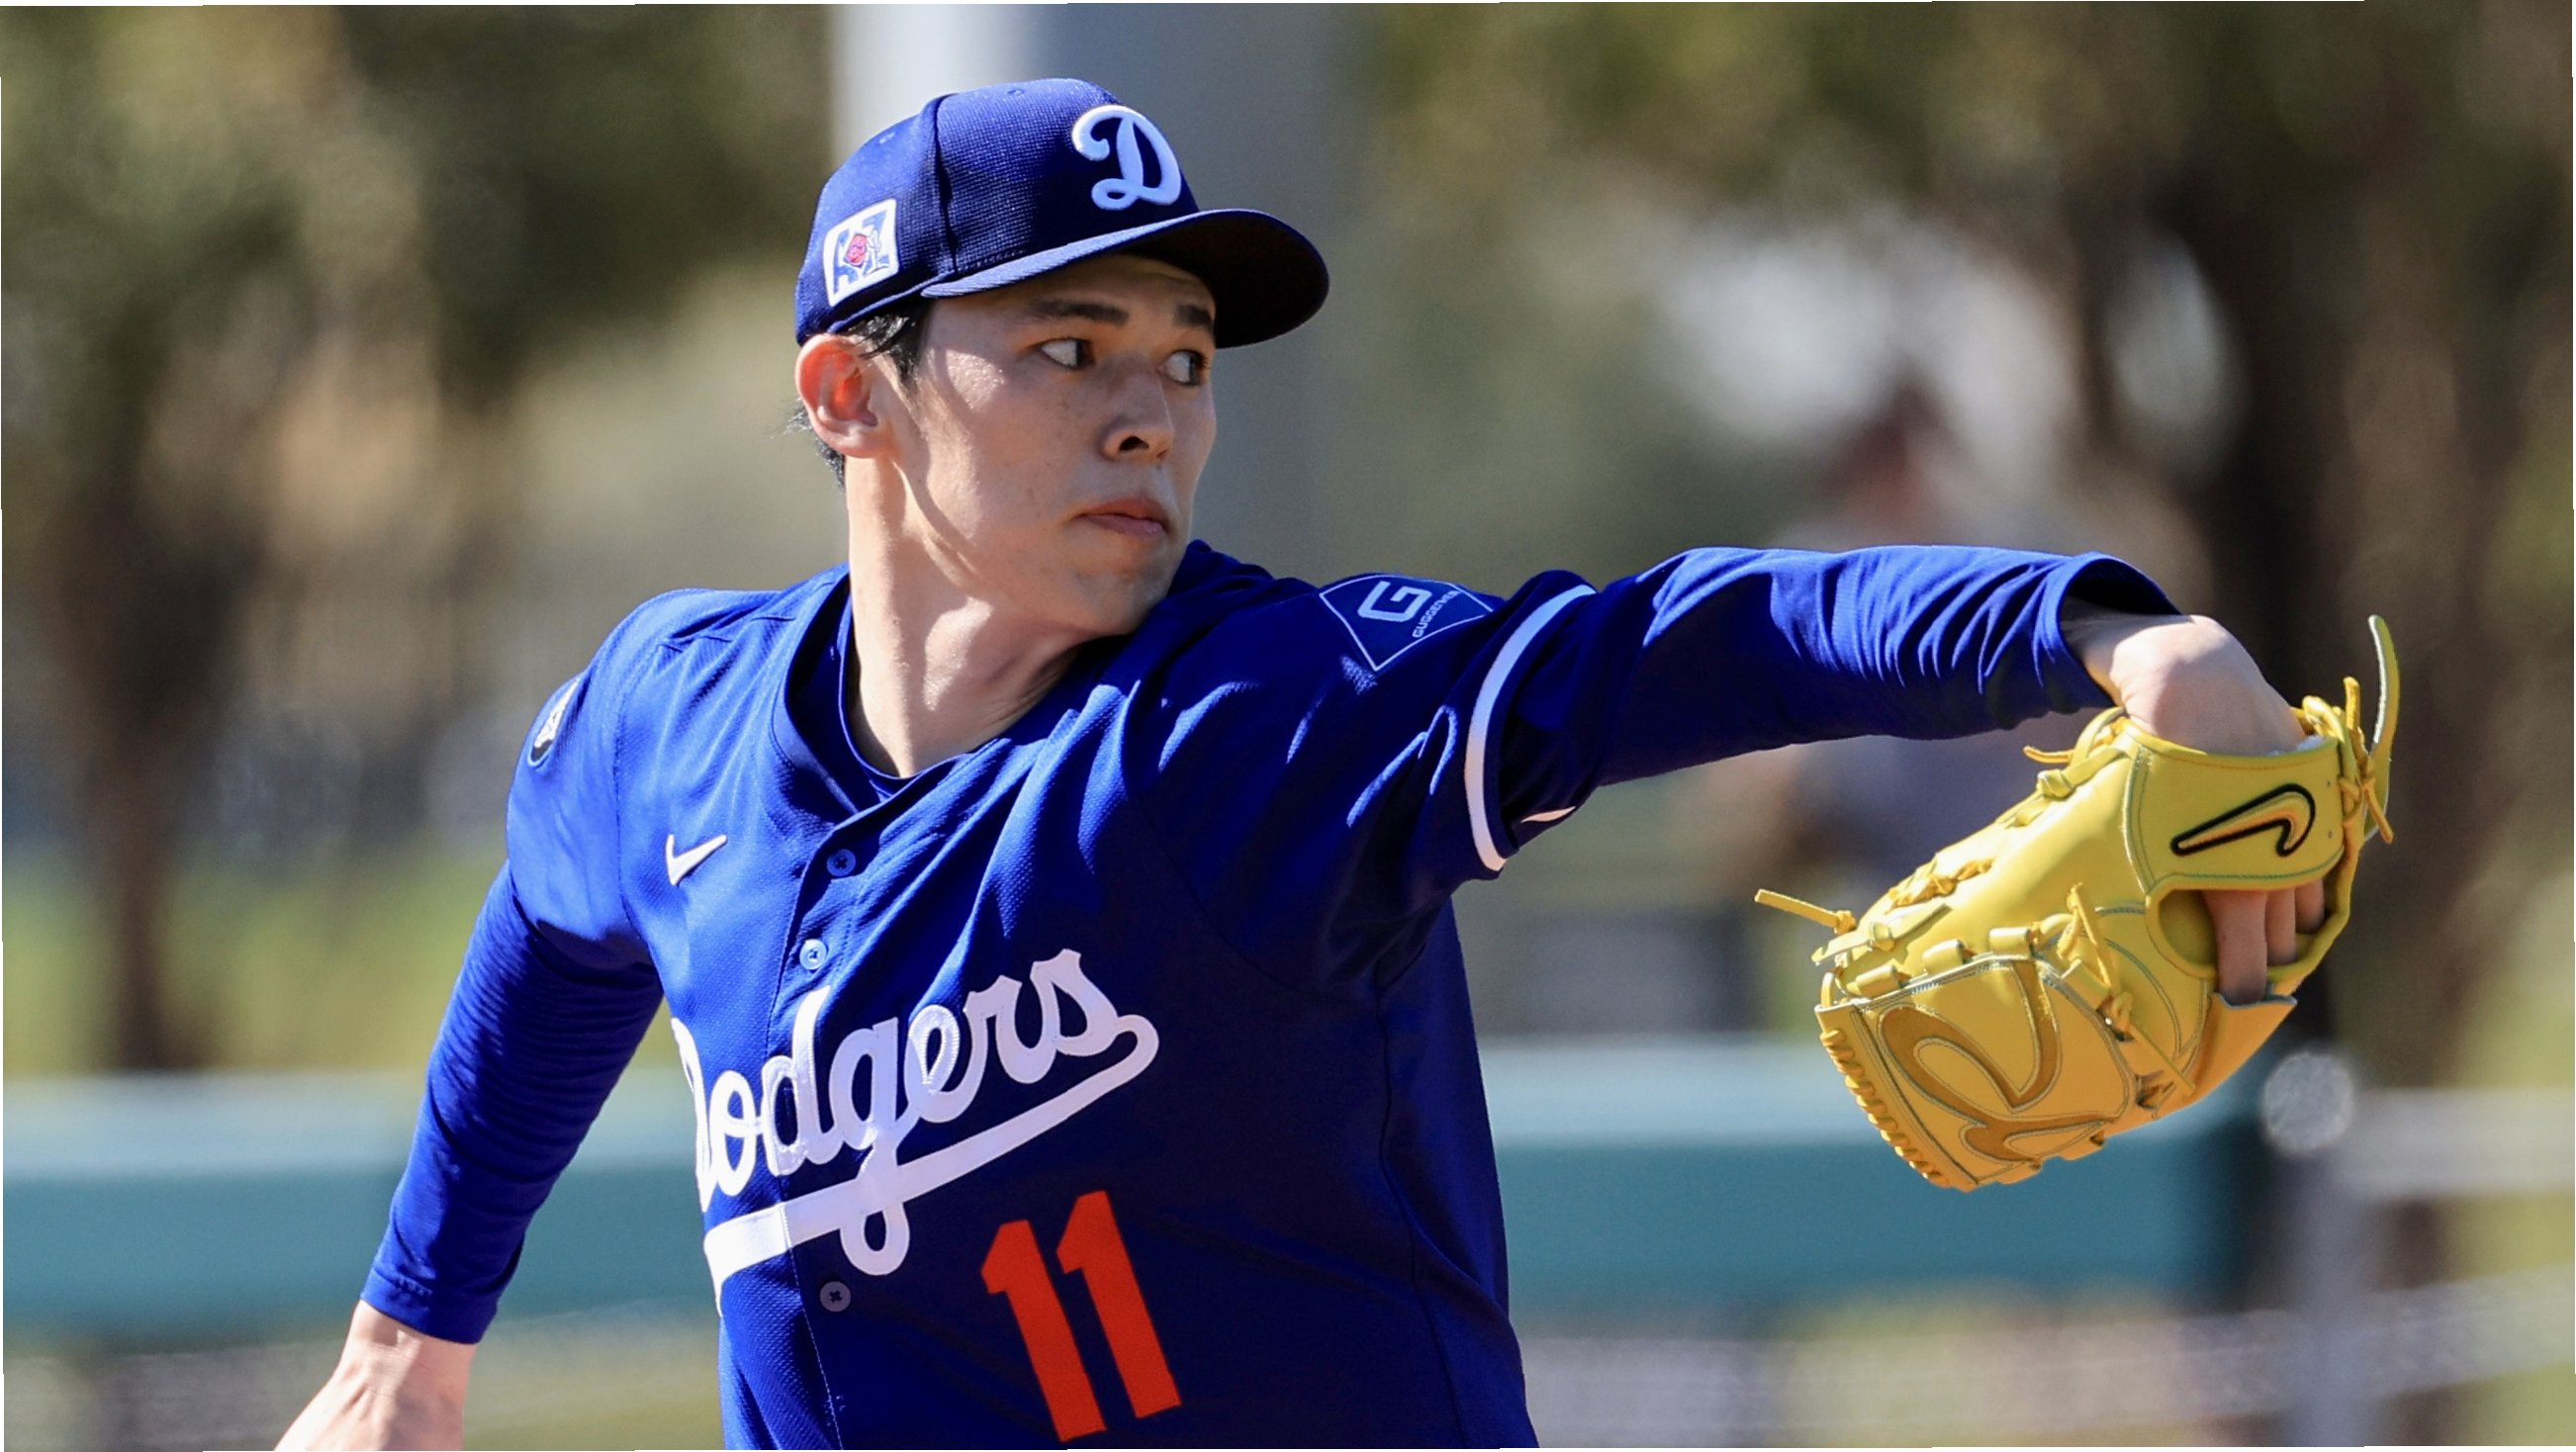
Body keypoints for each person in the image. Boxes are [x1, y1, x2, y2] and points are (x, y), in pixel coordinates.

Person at [281, 78, 2324, 1450]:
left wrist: (2102, 630)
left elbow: (1669, 642)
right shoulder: (675, 725)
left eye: (1183, 357)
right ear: (848, 391)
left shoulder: (1260, 722)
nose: (1153, 413)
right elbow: (555, 924)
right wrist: (406, 1337)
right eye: (1068, 348)